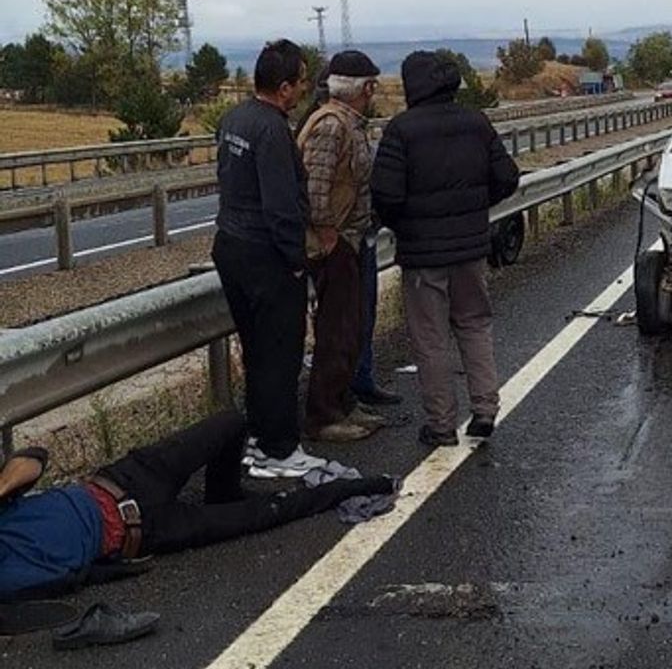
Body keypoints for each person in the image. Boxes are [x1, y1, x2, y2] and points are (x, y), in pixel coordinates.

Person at [0, 411, 393, 601]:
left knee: (231, 423)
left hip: (126, 477)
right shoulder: (9, 580)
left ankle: (224, 491)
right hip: (147, 530)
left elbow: (34, 457)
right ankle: (356, 486)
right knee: (268, 513)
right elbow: (70, 578)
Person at [372, 51, 519, 447]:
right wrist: (474, 209)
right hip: (471, 248)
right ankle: (485, 410)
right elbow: (507, 177)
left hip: (422, 255)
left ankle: (441, 425)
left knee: (430, 337)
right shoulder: (476, 122)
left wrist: (405, 225)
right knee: (475, 324)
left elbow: (386, 195)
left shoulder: (401, 130)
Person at [212, 39, 323, 478]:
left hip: (231, 245)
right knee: (280, 353)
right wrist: (295, 259)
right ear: (283, 87)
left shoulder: (234, 118)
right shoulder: (274, 130)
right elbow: (280, 205)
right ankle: (279, 450)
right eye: (301, 81)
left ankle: (257, 440)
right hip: (266, 254)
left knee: (257, 351)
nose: (303, 89)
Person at [296, 50, 387, 442]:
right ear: (364, 88)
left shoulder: (346, 122)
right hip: (334, 245)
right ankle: (324, 415)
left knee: (349, 329)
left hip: (348, 239)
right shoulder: (331, 125)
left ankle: (343, 403)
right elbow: (314, 187)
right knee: (336, 331)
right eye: (372, 85)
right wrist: (329, 236)